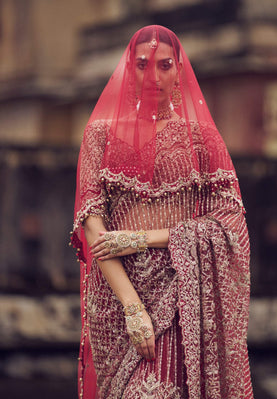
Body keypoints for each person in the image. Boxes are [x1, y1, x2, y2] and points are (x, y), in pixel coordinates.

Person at [71, 25, 253, 399]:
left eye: (165, 65)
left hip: (181, 290)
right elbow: (92, 224)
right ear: (128, 68)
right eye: (142, 65)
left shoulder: (202, 139)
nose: (153, 76)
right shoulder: (99, 135)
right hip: (115, 298)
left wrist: (141, 239)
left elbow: (231, 223)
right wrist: (133, 308)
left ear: (179, 70)